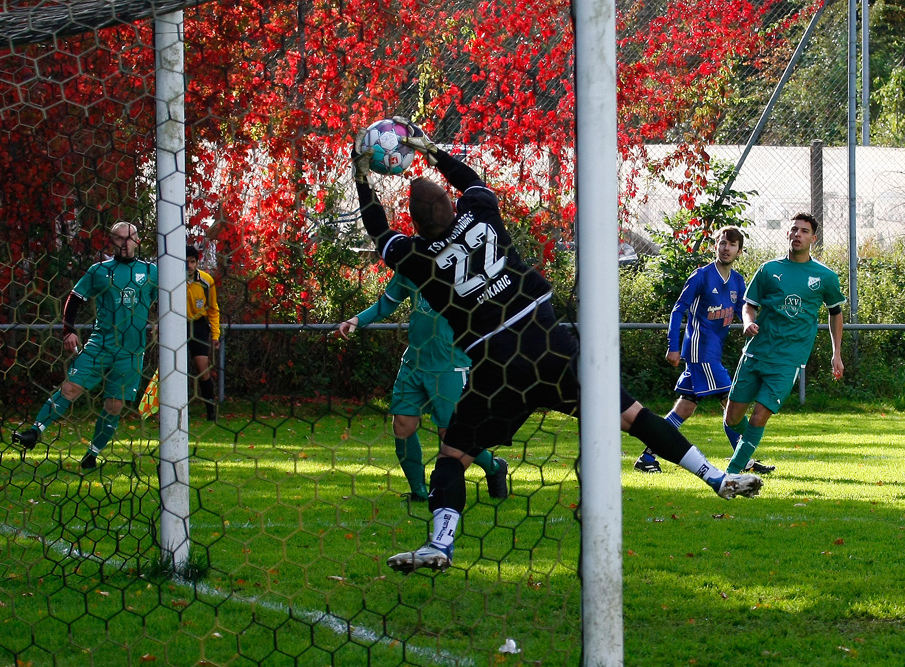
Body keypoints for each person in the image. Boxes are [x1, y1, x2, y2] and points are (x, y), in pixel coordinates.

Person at [351, 118, 763, 574]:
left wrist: (361, 176)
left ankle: (440, 544)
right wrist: (432, 153)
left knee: (453, 456)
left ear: (415, 227)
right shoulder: (481, 214)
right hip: (551, 346)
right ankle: (714, 476)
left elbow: (377, 230)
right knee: (632, 416)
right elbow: (472, 181)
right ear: (453, 204)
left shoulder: (417, 257)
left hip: (495, 369)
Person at [337, 272, 509, 502]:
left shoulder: (464, 265)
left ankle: (494, 467)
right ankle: (420, 492)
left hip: (451, 364)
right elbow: (388, 301)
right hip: (414, 363)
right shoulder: (410, 264)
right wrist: (356, 320)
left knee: (451, 434)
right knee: (402, 425)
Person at [13, 221, 158, 470]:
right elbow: (75, 298)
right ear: (112, 241)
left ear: (138, 240)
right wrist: (68, 330)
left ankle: (92, 454)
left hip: (132, 351)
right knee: (70, 389)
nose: (125, 243)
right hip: (100, 344)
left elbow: (162, 301)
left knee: (114, 405)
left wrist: (158, 322)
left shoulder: (151, 271)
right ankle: (34, 433)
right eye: (120, 238)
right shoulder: (99, 270)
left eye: (130, 238)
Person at [633, 226, 775, 474]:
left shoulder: (738, 281)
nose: (726, 248)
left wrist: (753, 324)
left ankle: (647, 457)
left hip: (712, 352)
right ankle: (744, 460)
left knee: (684, 409)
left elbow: (747, 309)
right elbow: (678, 310)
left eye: (732, 245)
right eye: (722, 243)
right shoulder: (702, 276)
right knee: (731, 403)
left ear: (739, 251)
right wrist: (673, 347)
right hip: (700, 351)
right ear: (715, 246)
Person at [723, 213, 845, 474]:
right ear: (787, 234)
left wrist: (837, 353)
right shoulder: (769, 269)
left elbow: (835, 312)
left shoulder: (825, 276)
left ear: (813, 238)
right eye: (794, 230)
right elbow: (749, 305)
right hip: (756, 352)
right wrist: (747, 322)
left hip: (789, 359)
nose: (797, 234)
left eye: (804, 231)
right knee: (732, 419)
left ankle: (731, 473)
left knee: (759, 417)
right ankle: (748, 449)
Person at [186, 245, 221, 421]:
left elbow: (213, 309)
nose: (189, 266)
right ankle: (176, 409)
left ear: (197, 262)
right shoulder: (171, 280)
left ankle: (210, 410)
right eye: (185, 262)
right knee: (174, 369)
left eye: (192, 262)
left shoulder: (206, 281)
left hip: (198, 325)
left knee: (202, 368)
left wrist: (215, 334)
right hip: (176, 324)